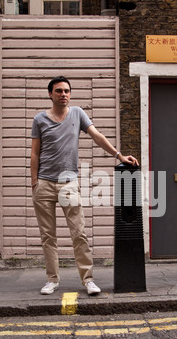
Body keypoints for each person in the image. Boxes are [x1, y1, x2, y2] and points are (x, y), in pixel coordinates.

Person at [31, 76, 138, 295]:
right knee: (48, 236)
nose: (64, 94)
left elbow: (97, 136)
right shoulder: (40, 119)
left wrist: (118, 155)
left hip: (69, 184)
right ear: (50, 94)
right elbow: (35, 152)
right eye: (59, 91)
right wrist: (34, 181)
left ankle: (88, 279)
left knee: (79, 233)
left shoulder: (78, 114)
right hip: (44, 184)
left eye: (67, 91)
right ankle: (52, 280)